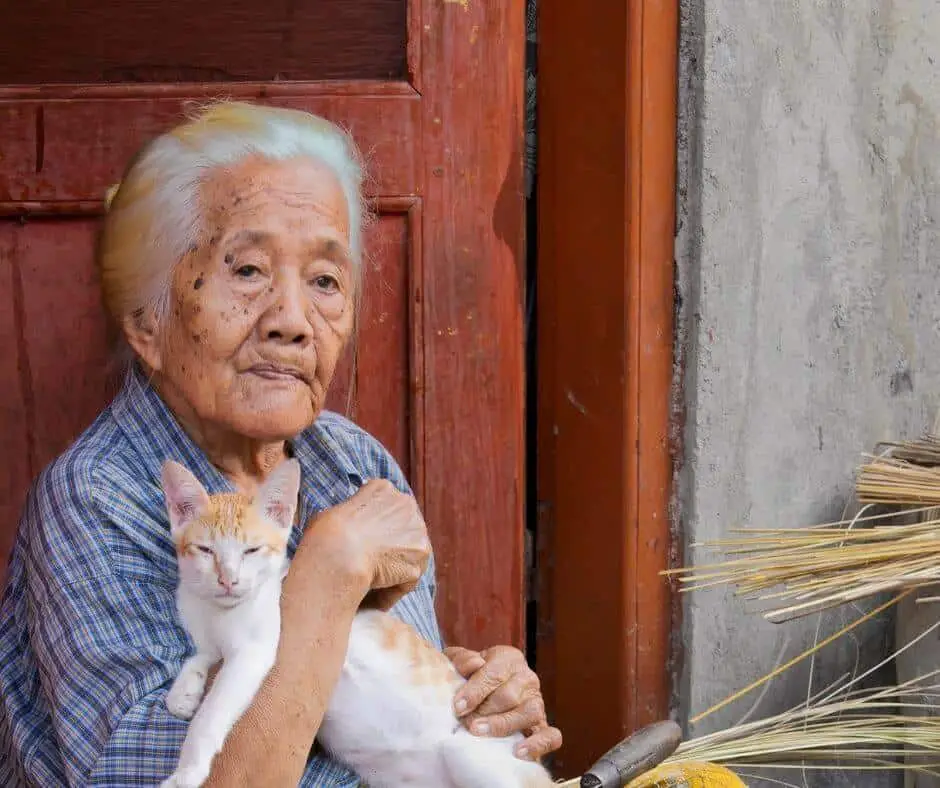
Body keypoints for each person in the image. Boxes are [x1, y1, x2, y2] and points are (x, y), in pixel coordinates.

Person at [0, 101, 561, 786]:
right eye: (247, 271)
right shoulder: (96, 498)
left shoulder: (350, 461)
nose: (294, 321)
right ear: (149, 324)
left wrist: (473, 705)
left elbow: (376, 710)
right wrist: (325, 576)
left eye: (325, 281)